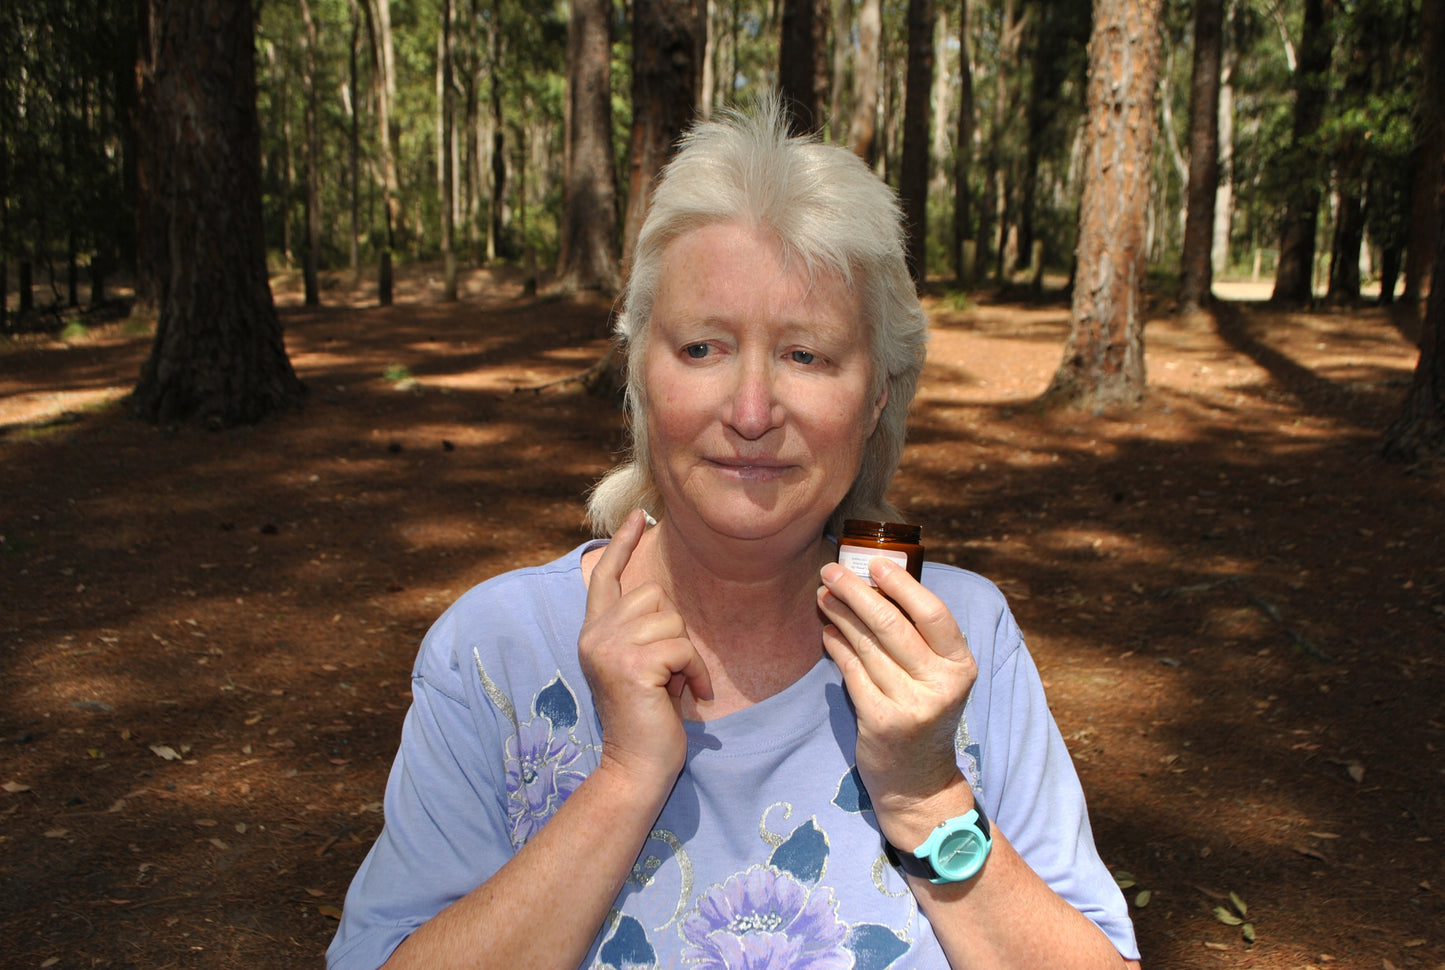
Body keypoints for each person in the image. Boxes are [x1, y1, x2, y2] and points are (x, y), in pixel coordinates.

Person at [328, 95, 1141, 970]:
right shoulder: (496, 654)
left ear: (876, 396)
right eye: (703, 349)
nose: (750, 412)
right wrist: (623, 780)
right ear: (640, 373)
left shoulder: (954, 647)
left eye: (806, 355)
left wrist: (927, 794)